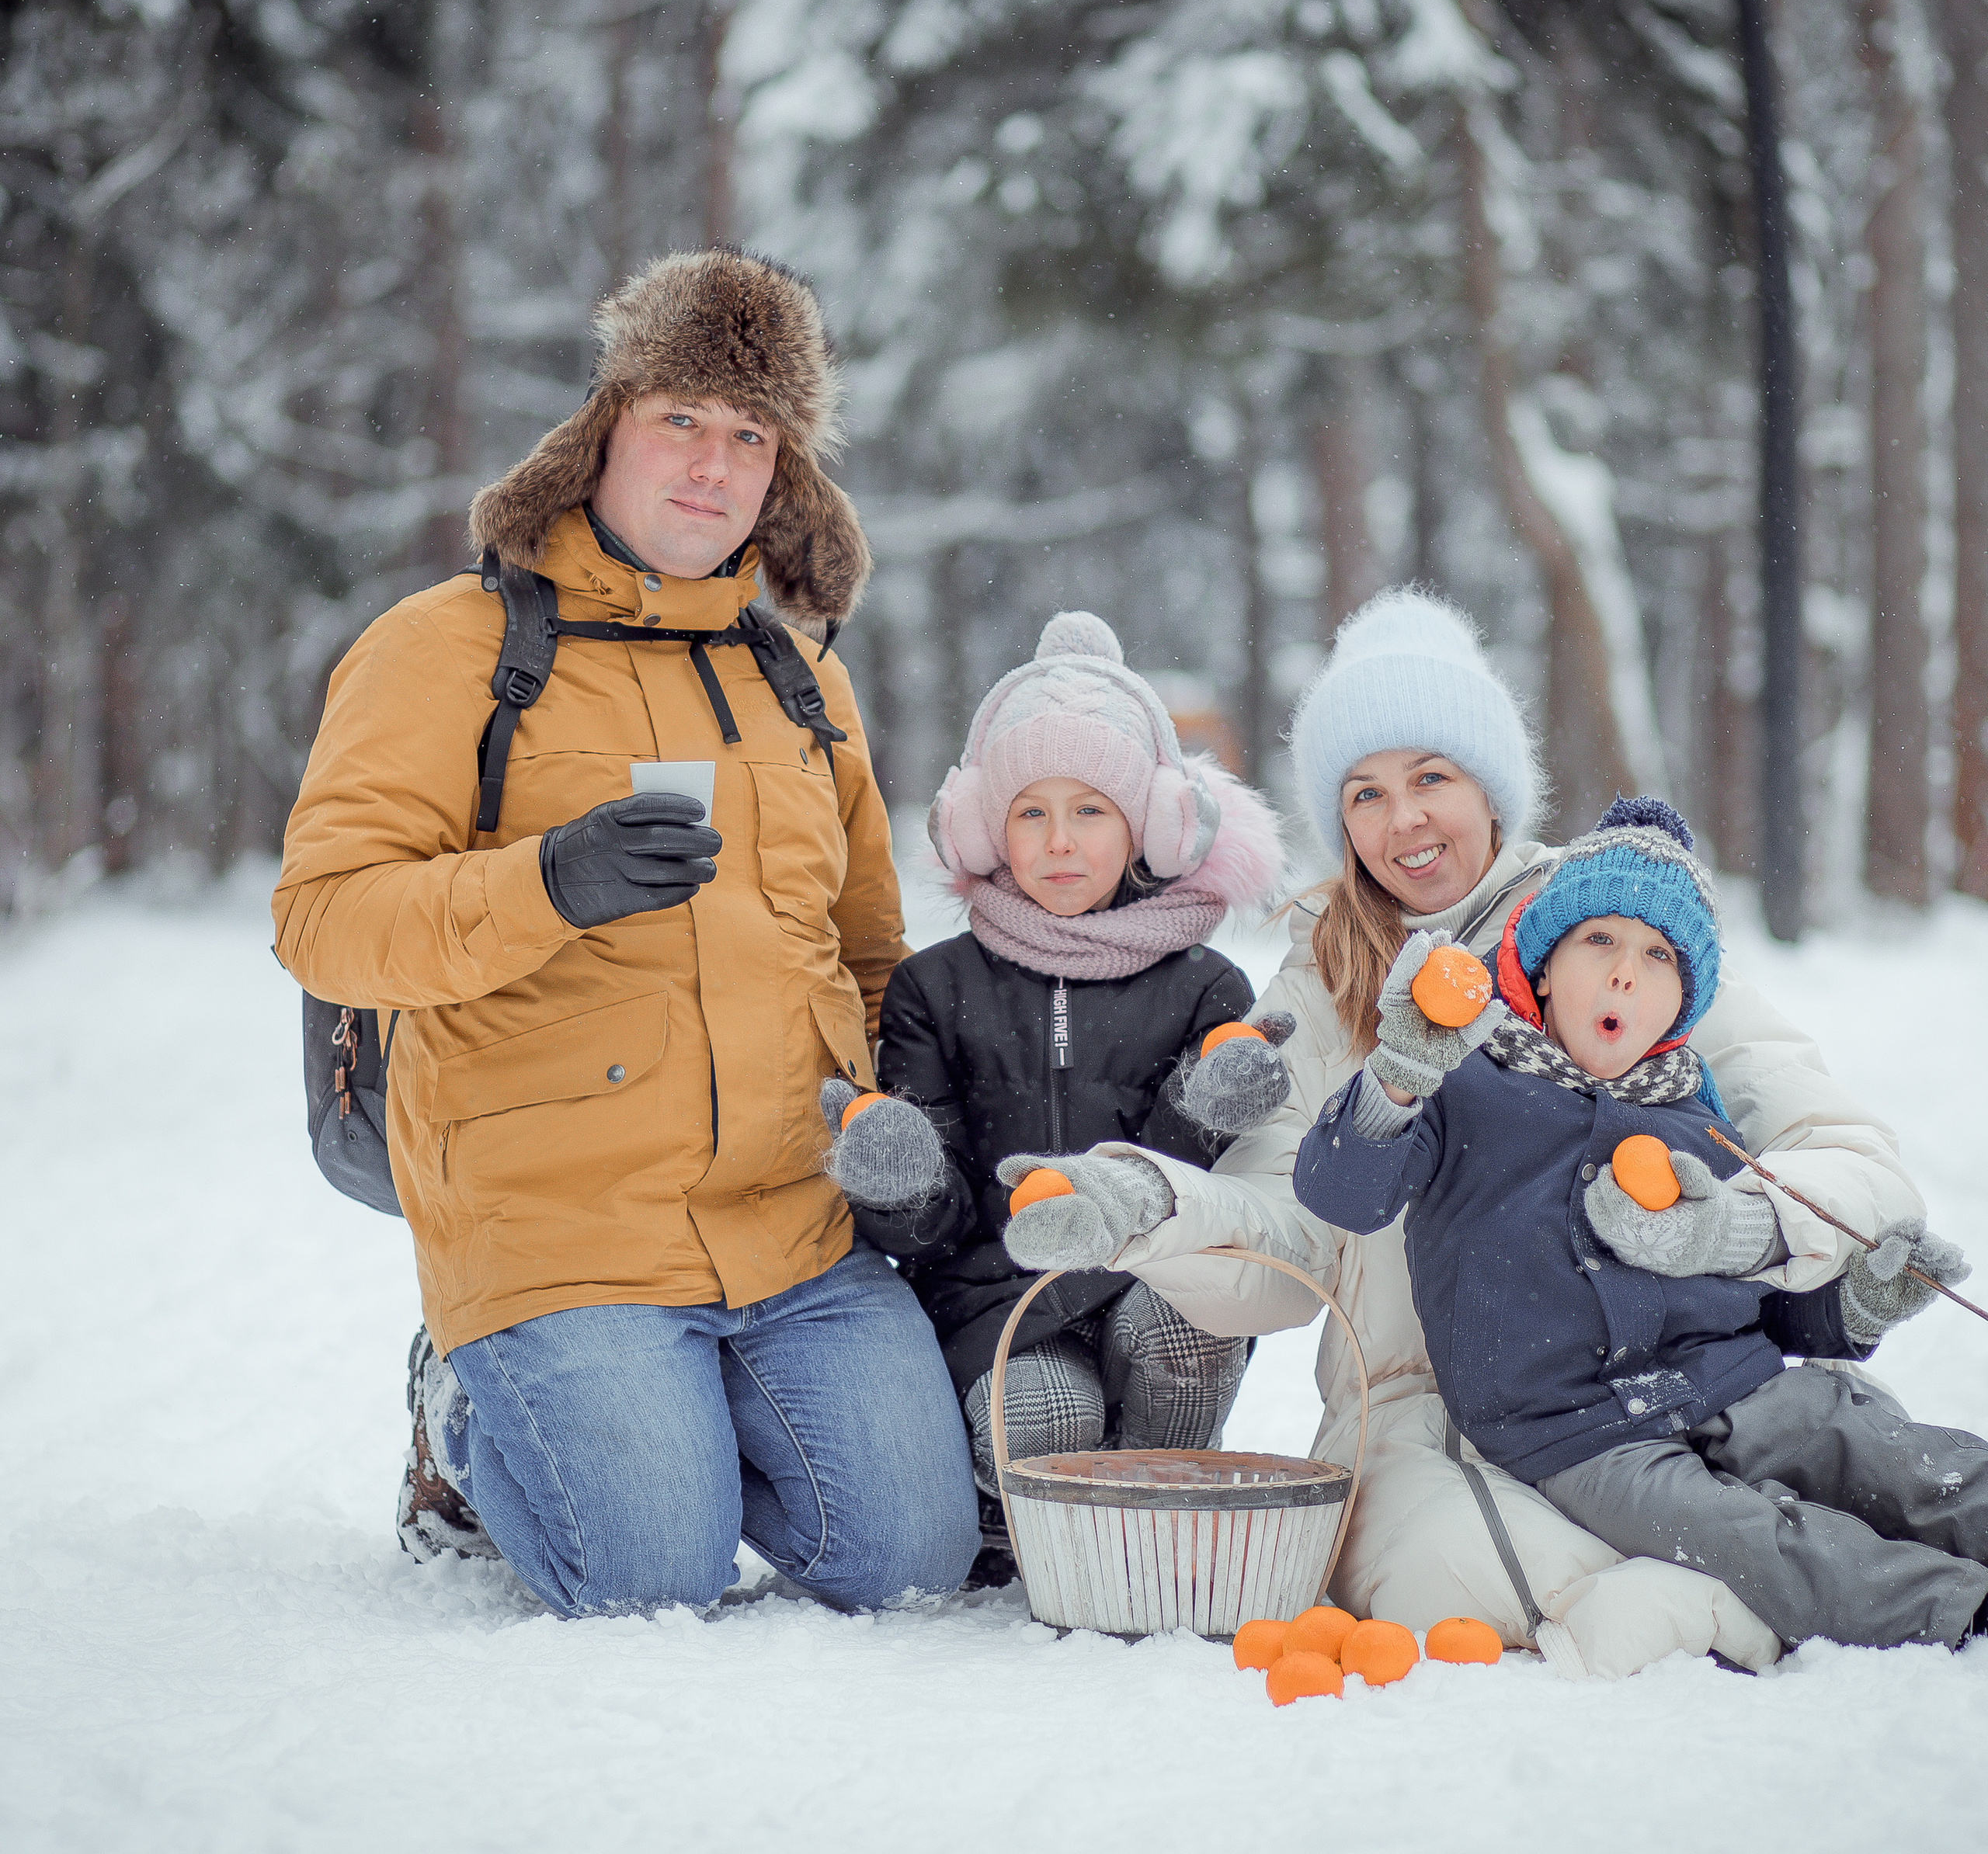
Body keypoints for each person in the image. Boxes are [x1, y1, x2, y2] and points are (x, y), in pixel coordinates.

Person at [993, 587, 1932, 1678]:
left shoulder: (1610, 932)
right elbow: (1283, 1246)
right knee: (1445, 1574)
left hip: (1659, 1379)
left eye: (1432, 777)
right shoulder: (1315, 981)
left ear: (1490, 785)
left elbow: (1851, 1160)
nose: (1405, 822)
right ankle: (1746, 1593)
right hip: (1411, 1415)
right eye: (1366, 792)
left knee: (1866, 1463)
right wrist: (1153, 1207)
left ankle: (1779, 1567)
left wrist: (1739, 1230)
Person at [273, 248, 978, 1616]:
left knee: (907, 1564)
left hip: (792, 1224)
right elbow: (324, 923)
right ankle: (466, 1404)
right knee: (646, 1578)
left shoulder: (800, 674)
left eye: (751, 435)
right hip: (555, 1221)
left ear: (786, 471)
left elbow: (871, 952)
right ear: (605, 428)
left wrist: (917, 1121)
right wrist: (546, 885)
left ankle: (679, 1409)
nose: (713, 467)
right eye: (681, 421)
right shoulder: (447, 649)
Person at [1293, 793, 1986, 1651]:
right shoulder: (1465, 1087)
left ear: (1682, 1003)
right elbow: (1341, 1193)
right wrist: (1397, 1077)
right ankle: (1956, 1605)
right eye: (1599, 941)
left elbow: (1749, 1303)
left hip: (1734, 1385)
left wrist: (1848, 1310)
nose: (1626, 971)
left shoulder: (1698, 1120)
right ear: (1541, 965)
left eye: (1658, 956)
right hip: (1576, 1437)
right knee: (1752, 1541)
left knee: (1881, 1451)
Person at [817, 612, 1284, 1579]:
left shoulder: (1206, 988)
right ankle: (1043, 1518)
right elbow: (931, 1234)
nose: (1058, 843)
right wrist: (901, 1185)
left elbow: (1204, 1197)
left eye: (1091, 811)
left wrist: (1205, 1104)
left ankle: (1157, 1527)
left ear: (1148, 826)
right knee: (1051, 1415)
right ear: (986, 825)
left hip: (1152, 1279)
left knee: (1180, 1327)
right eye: (1030, 811)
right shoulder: (932, 988)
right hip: (999, 1300)